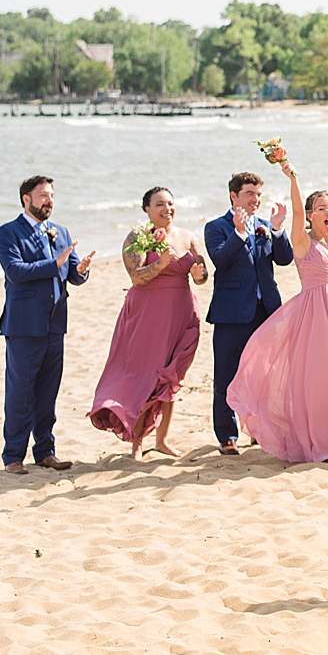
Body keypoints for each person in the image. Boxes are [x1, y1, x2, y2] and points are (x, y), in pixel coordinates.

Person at [227, 157, 328, 463]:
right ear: (310, 215)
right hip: (313, 316)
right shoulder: (303, 243)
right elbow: (294, 214)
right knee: (317, 377)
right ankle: (318, 438)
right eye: (323, 208)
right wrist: (292, 179)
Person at [89, 186, 208, 460]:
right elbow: (137, 277)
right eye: (159, 204)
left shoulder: (188, 236)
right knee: (148, 376)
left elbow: (201, 277)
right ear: (147, 209)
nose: (167, 208)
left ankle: (162, 440)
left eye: (170, 203)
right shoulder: (138, 236)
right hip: (147, 316)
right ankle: (137, 442)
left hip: (182, 313)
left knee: (172, 375)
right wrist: (162, 262)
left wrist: (199, 273)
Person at [0, 175, 94, 474]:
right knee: (20, 392)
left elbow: (72, 274)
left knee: (48, 392)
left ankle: (45, 452)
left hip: (54, 325)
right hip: (24, 326)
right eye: (43, 195)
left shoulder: (60, 231)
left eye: (51, 195)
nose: (49, 200)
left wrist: (80, 270)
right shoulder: (8, 232)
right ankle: (13, 456)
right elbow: (15, 272)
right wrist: (56, 264)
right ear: (26, 199)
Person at [204, 171, 292, 456]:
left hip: (265, 312)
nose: (256, 200)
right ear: (234, 196)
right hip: (231, 314)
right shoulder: (215, 227)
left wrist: (278, 229)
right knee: (226, 375)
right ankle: (227, 436)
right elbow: (219, 259)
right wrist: (240, 233)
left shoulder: (266, 225)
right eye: (249, 194)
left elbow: (284, 259)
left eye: (258, 194)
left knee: (264, 375)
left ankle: (259, 430)